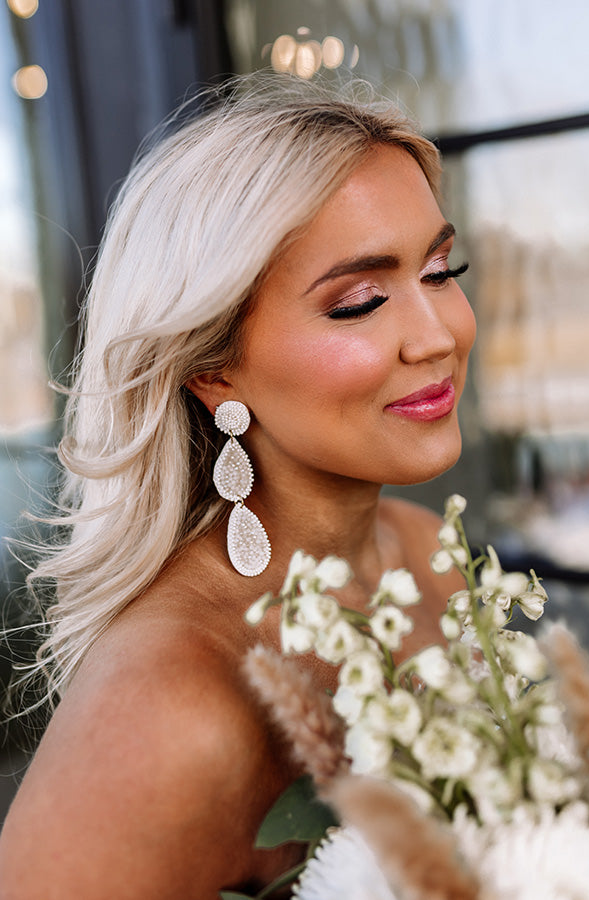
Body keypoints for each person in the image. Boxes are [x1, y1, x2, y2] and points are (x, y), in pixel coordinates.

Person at [0, 74, 476, 898]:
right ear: (214, 370)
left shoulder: (432, 553)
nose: (436, 335)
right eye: (360, 302)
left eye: (440, 269)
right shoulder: (167, 705)